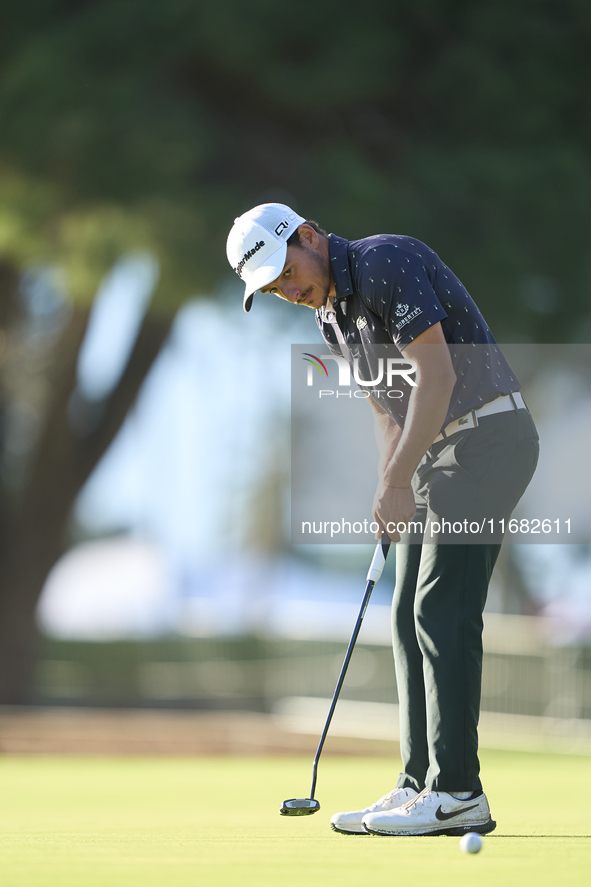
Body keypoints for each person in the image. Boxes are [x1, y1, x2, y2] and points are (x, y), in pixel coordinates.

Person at [226, 203, 539, 837]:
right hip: (433, 454)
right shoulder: (331, 318)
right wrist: (387, 489)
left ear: (308, 237)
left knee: (439, 608)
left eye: (286, 273)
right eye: (274, 288)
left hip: (487, 439)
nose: (288, 291)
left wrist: (401, 477)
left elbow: (437, 376)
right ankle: (417, 782)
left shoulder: (384, 261)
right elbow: (386, 411)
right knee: (404, 615)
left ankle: (458, 792)